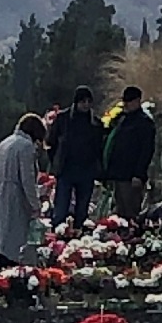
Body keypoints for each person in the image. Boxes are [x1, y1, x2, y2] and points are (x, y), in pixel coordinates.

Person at [0, 114, 48, 266]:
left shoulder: (3, 144)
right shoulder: (26, 147)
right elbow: (27, 180)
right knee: (13, 239)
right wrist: (35, 205)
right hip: (14, 196)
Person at [46, 85, 104, 228]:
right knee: (61, 208)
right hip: (66, 169)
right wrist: (55, 161)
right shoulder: (63, 119)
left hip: (87, 170)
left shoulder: (96, 123)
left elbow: (100, 148)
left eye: (88, 102)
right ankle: (57, 236)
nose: (86, 105)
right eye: (82, 101)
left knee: (82, 211)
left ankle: (79, 238)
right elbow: (50, 142)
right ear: (76, 102)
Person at [102, 86, 156, 218]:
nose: (126, 104)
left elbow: (146, 150)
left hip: (132, 176)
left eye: (129, 101)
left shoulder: (145, 123)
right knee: (119, 211)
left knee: (131, 212)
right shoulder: (122, 119)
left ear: (137, 101)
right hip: (118, 173)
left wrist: (139, 174)